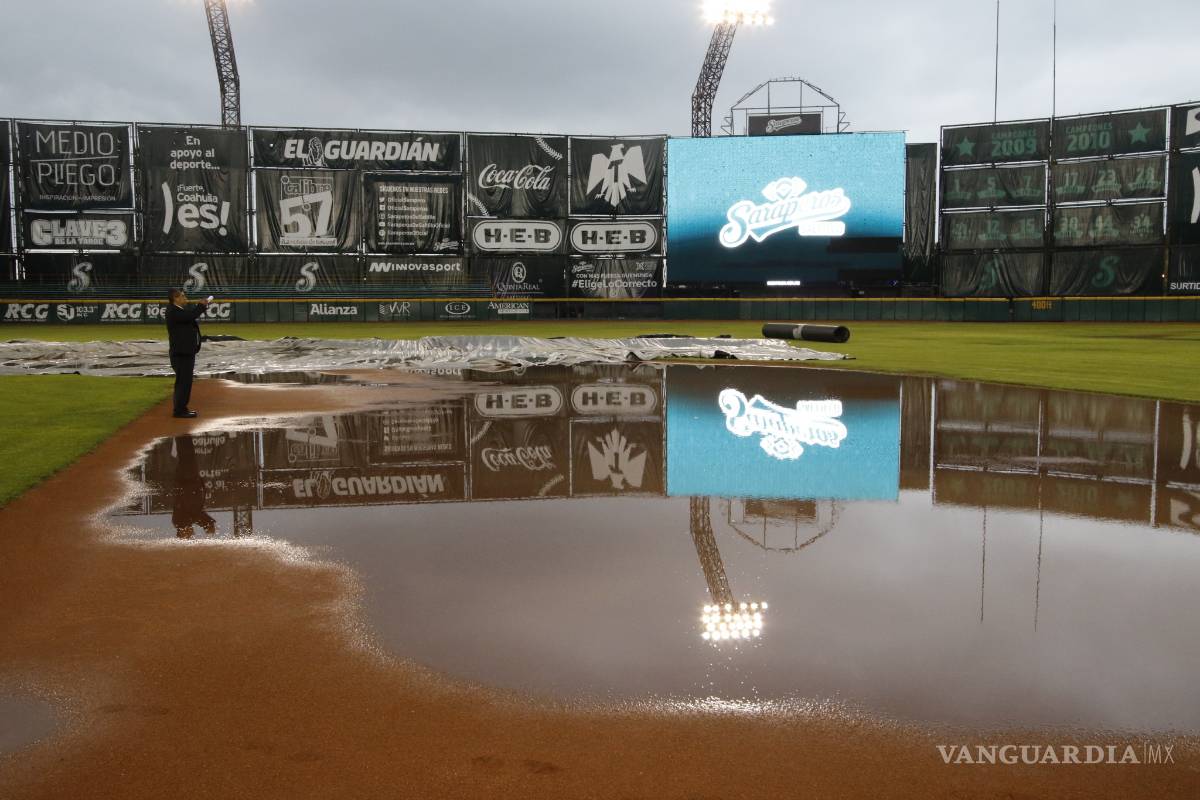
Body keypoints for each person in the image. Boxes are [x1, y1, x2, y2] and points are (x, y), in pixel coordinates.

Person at [165, 288, 211, 419]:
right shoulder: (173, 311)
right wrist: (201, 306)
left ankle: (181, 408)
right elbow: (190, 316)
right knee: (183, 382)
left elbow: (190, 318)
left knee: (185, 381)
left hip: (185, 352)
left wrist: (202, 307)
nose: (185, 298)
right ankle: (179, 410)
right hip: (181, 353)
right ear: (175, 298)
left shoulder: (178, 310)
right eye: (182, 296)